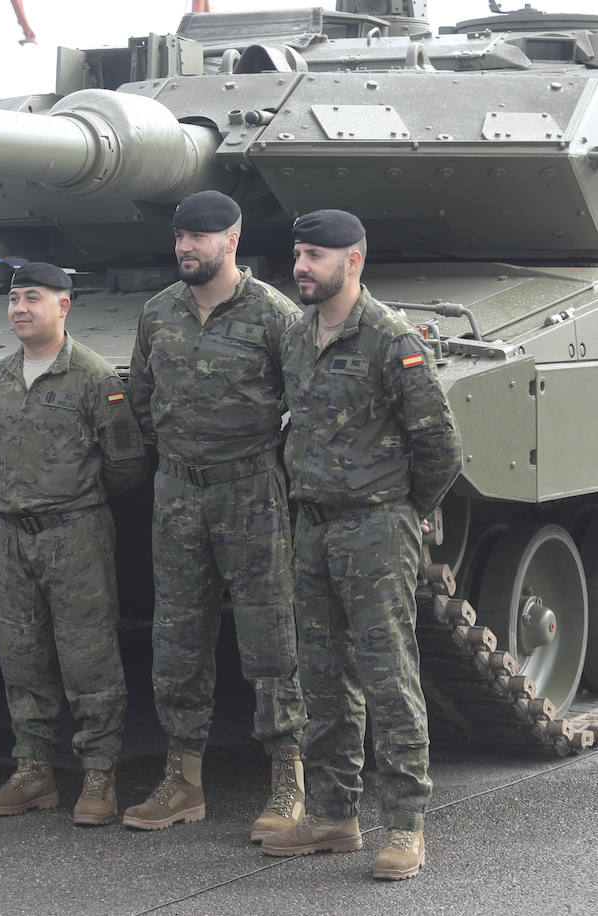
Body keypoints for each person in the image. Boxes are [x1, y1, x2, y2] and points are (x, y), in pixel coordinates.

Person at [261, 209, 462, 881]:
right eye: (298, 254)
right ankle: (332, 813)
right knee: (321, 676)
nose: (301, 267)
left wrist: (406, 509)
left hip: (375, 529)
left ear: (352, 261)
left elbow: (440, 445)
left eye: (315, 256)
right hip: (312, 527)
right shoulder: (297, 335)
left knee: (388, 676)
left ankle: (405, 825)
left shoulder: (389, 338)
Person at [125, 190, 308, 839]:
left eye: (198, 237)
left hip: (251, 492)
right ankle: (182, 780)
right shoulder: (158, 312)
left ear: (230, 241)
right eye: (180, 236)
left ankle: (289, 778)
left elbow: (307, 406)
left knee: (271, 635)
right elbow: (141, 400)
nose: (185, 247)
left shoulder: (275, 315)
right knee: (176, 636)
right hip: (178, 493)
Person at [0, 263, 143, 826]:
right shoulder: (1, 377)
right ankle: (33, 770)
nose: (20, 309)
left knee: (88, 656)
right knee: (21, 654)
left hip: (76, 534)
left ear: (63, 306)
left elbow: (125, 463)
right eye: (14, 299)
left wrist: (76, 501)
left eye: (33, 298)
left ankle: (99, 774)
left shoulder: (94, 377)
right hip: (14, 535)